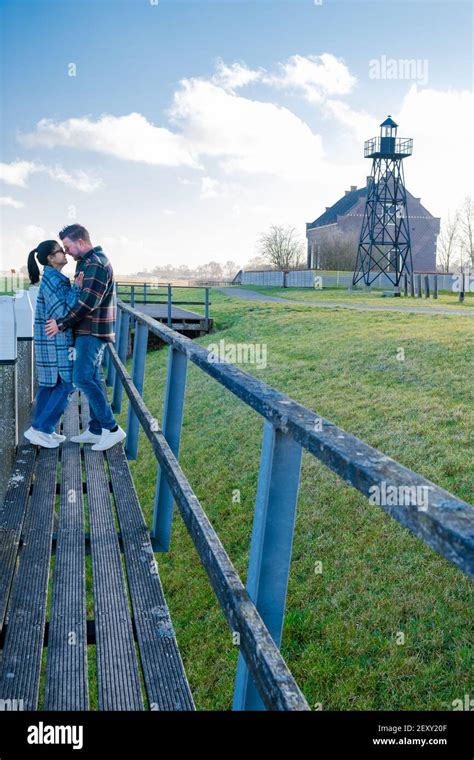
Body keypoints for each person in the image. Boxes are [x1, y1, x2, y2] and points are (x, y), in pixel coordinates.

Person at [45, 224, 126, 451]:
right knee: (91, 377)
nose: (66, 251)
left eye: (68, 246)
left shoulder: (96, 264)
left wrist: (61, 323)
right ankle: (96, 429)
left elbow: (88, 302)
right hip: (87, 330)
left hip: (92, 331)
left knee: (81, 378)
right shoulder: (86, 262)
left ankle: (111, 429)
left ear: (80, 241)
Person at [25, 240, 83, 448]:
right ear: (51, 258)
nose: (65, 253)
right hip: (55, 342)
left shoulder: (53, 278)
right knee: (66, 384)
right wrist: (76, 289)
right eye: (60, 251)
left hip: (51, 341)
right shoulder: (53, 280)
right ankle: (39, 428)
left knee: (50, 385)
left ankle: (44, 430)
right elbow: (62, 313)